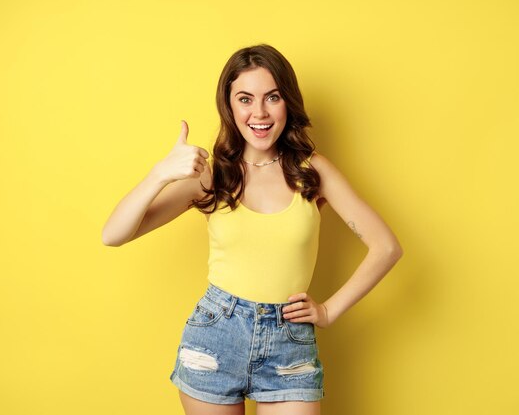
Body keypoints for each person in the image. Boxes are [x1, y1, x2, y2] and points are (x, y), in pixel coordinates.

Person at [102, 44, 403, 415]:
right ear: (229, 106)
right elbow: (114, 234)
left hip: (290, 345)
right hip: (215, 337)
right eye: (245, 99)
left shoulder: (312, 172)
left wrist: (328, 311)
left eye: (272, 97)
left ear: (287, 103)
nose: (258, 113)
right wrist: (160, 174)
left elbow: (386, 247)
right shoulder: (213, 177)